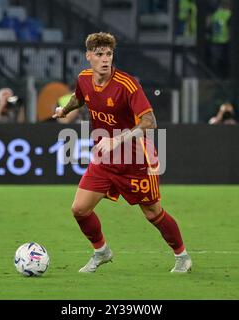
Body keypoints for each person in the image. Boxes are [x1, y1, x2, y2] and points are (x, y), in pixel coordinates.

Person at [52, 32, 192, 273]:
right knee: (80, 209)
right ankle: (102, 252)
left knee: (152, 213)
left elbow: (150, 121)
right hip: (105, 159)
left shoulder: (127, 85)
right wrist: (64, 111)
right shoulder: (84, 79)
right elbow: (79, 98)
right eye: (99, 54)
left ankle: (182, 256)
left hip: (136, 159)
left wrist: (117, 140)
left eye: (109, 54)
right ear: (88, 57)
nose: (105, 59)